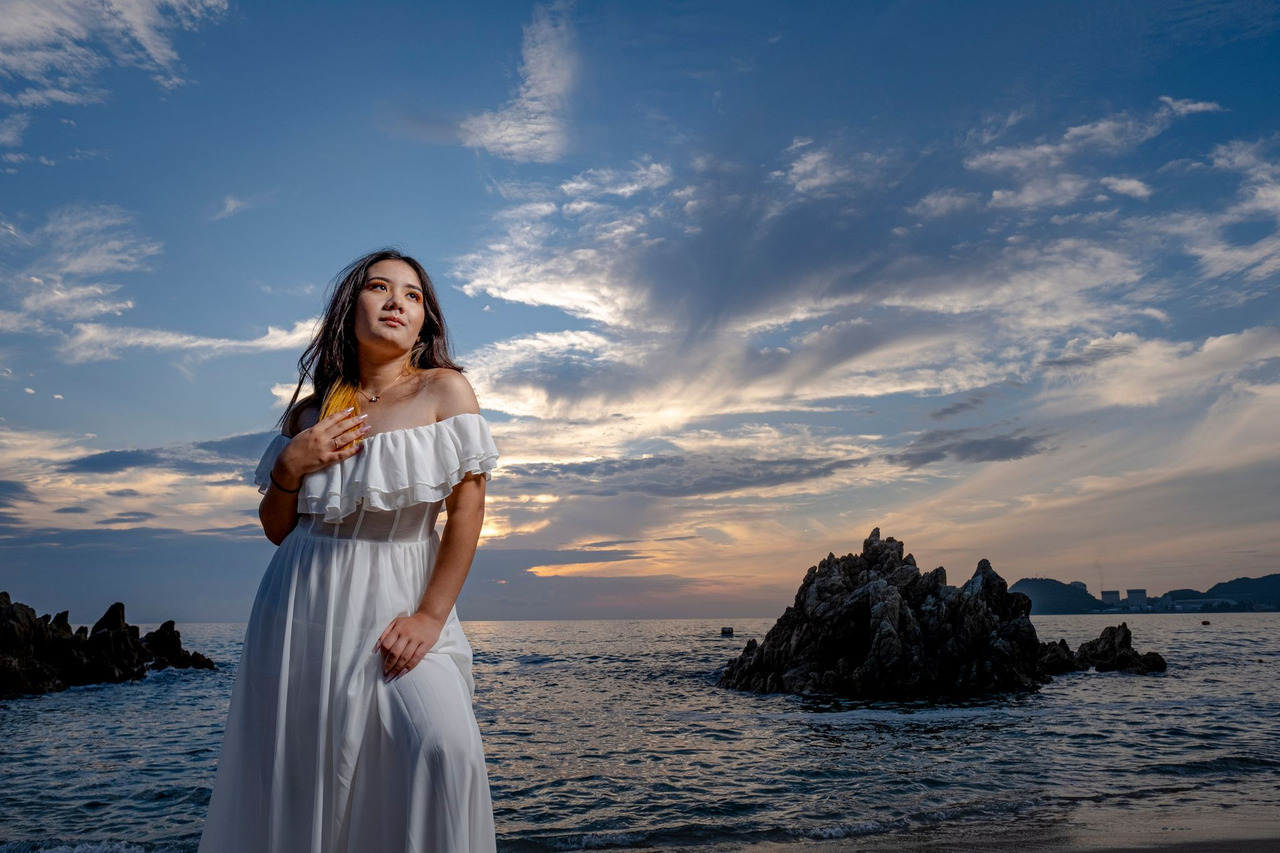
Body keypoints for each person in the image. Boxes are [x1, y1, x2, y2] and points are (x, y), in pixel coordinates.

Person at [198, 248, 499, 852]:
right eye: (380, 287)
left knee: (444, 748)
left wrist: (430, 617)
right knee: (305, 779)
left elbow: (467, 513)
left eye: (412, 295)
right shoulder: (313, 410)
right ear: (350, 307)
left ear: (425, 322)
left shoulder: (446, 391)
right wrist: (290, 466)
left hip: (401, 599)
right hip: (303, 605)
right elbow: (277, 528)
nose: (396, 301)